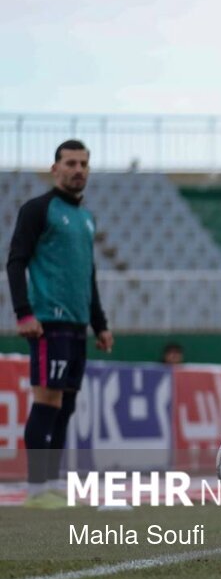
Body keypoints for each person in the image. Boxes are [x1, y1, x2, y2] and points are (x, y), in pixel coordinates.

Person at [6, 140, 113, 508]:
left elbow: (88, 274)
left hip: (78, 326)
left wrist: (99, 323)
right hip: (48, 323)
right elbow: (16, 261)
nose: (78, 169)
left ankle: (52, 483)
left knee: (66, 405)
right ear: (55, 169)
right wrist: (24, 312)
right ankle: (36, 489)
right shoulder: (39, 210)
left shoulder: (87, 218)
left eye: (84, 163)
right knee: (47, 400)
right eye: (70, 163)